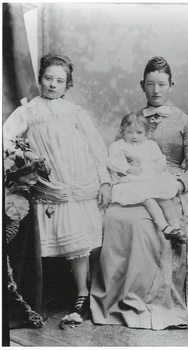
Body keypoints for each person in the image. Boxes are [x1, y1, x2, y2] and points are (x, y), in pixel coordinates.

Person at [90, 56, 188, 330]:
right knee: (114, 218)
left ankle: (147, 296)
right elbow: (117, 155)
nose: (156, 90)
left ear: (171, 86)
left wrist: (179, 186)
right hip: (135, 185)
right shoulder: (133, 120)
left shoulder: (185, 121)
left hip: (173, 184)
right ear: (143, 86)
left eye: (162, 84)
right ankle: (116, 297)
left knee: (145, 227)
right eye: (150, 84)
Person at [3, 54, 111, 322]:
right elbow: (6, 138)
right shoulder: (28, 111)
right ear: (40, 79)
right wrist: (22, 157)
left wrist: (105, 180)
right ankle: (48, 295)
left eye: (59, 81)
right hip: (48, 186)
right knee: (48, 245)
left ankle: (83, 295)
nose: (52, 85)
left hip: (77, 184)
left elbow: (96, 146)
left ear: (67, 85)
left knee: (79, 243)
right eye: (48, 78)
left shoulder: (75, 112)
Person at [108, 112, 187, 244]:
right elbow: (112, 162)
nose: (134, 136)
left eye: (138, 132)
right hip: (132, 181)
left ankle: (176, 228)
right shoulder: (119, 146)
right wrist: (128, 169)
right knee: (148, 200)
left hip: (150, 178)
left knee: (164, 199)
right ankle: (165, 228)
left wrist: (159, 168)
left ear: (146, 133)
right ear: (123, 132)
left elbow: (160, 159)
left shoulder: (150, 145)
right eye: (130, 132)